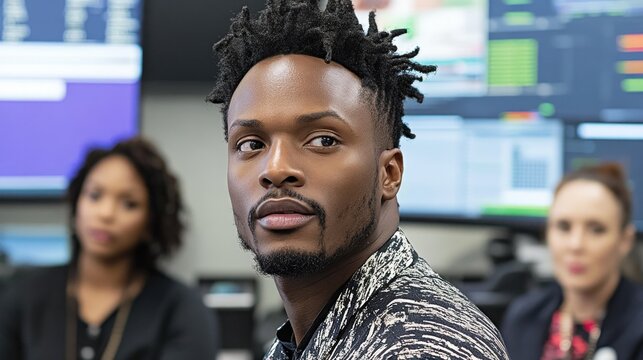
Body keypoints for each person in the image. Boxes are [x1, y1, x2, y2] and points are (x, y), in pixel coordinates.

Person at [207, 0, 509, 359]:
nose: (275, 169)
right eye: (251, 144)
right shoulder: (315, 334)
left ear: (389, 174)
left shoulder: (418, 347)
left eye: (323, 140)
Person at [0, 137, 219, 359]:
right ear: (76, 205)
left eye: (129, 204)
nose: (106, 213)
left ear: (150, 223)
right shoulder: (23, 296)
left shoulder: (182, 309)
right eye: (95, 195)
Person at [501, 163, 643, 360]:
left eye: (596, 229)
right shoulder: (523, 316)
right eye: (564, 226)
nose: (575, 245)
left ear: (624, 240)